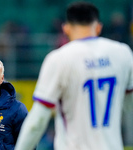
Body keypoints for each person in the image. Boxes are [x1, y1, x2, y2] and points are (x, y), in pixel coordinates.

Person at [15, 1, 133, 150]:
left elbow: (37, 122)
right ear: (98, 27)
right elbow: (130, 104)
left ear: (66, 28)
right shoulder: (123, 53)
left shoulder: (59, 59)